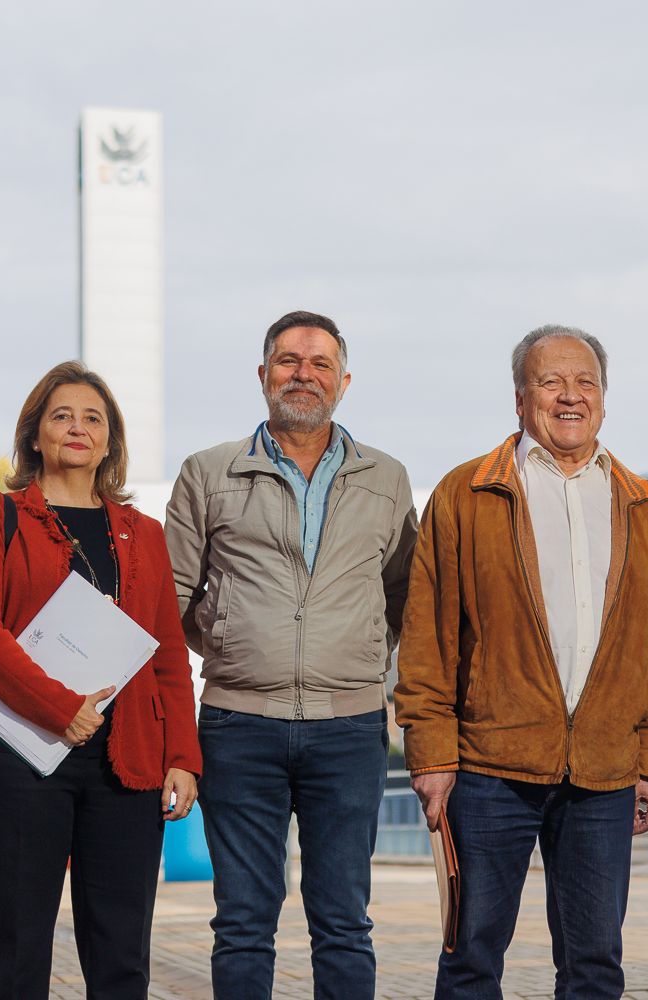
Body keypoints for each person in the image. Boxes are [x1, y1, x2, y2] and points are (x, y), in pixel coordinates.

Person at [394, 325, 648, 1000]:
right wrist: (431, 756)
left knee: (595, 965)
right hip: (490, 767)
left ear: (605, 400)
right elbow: (428, 639)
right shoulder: (465, 495)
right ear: (520, 398)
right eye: (550, 381)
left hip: (607, 771)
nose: (569, 396)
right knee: (469, 959)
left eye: (585, 382)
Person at [164, 310, 417, 1000]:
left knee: (342, 920)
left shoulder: (387, 479)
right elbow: (169, 600)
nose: (303, 375)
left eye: (320, 364)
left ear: (344, 380)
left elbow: (402, 599)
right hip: (237, 725)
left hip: (351, 728)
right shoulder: (208, 473)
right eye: (288, 361)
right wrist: (232, 638)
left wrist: (356, 651)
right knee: (243, 921)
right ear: (262, 374)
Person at [0, 361, 201, 1000]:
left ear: (110, 440)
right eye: (62, 416)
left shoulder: (143, 533)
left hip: (125, 766)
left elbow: (167, 653)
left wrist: (183, 757)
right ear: (35, 435)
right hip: (13, 758)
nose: (78, 428)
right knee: (15, 953)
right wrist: (59, 706)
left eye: (94, 418)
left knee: (122, 959)